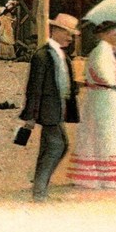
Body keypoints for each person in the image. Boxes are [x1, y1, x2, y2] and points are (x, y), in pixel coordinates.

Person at [66, 21, 116, 189]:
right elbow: (100, 72)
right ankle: (108, 176)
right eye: (111, 33)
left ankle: (108, 174)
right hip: (104, 94)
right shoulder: (101, 50)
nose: (115, 35)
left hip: (104, 94)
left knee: (108, 131)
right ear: (103, 34)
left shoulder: (107, 50)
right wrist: (112, 83)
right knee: (107, 132)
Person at [18, 13, 81, 202]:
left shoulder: (63, 56)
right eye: (68, 34)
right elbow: (34, 88)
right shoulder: (42, 55)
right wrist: (30, 115)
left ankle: (40, 189)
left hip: (59, 108)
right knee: (57, 146)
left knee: (52, 147)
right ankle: (39, 192)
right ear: (56, 31)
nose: (70, 38)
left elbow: (65, 82)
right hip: (48, 110)